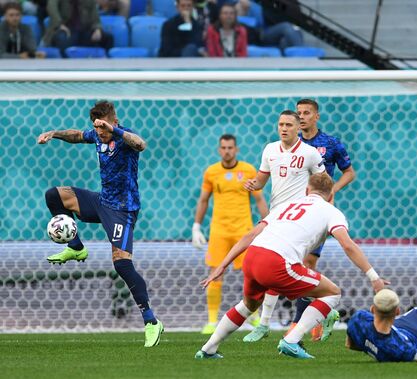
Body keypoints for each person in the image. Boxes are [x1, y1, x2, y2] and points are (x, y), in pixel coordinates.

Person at [196, 173, 386, 360]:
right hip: (276, 262)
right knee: (332, 292)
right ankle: (292, 340)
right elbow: (347, 245)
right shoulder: (332, 212)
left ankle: (208, 349)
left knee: (249, 304)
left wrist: (221, 266)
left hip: (253, 256)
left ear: (306, 190)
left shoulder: (287, 205)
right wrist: (374, 277)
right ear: (331, 196)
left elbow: (251, 235)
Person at [37, 100, 163, 348]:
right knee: (54, 195)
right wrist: (54, 134)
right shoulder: (96, 135)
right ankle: (76, 247)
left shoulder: (124, 139)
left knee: (122, 265)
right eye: (97, 129)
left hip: (122, 210)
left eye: (103, 129)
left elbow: (142, 144)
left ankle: (151, 322)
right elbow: (76, 136)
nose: (100, 134)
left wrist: (113, 130)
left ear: (113, 123)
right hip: (102, 202)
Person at [240, 110, 326, 343]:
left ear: (298, 127)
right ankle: (325, 306)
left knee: (279, 270)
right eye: (280, 124)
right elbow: (261, 179)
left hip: (299, 220)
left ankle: (268, 323)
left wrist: (324, 216)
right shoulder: (270, 149)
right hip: (276, 216)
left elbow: (325, 183)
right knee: (277, 271)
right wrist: (253, 184)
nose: (284, 128)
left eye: (289, 124)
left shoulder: (309, 153)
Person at [287, 98, 356, 340]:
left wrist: (333, 189)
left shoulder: (330, 144)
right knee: (294, 264)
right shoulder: (290, 144)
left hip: (317, 212)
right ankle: (323, 312)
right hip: (294, 212)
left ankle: (299, 321)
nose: (302, 117)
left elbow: (350, 171)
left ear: (316, 116)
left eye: (306, 113)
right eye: (299, 113)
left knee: (307, 264)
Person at [192, 134, 268, 334]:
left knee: (252, 274)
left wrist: (269, 224)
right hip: (219, 230)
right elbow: (203, 200)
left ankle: (253, 316)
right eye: (223, 147)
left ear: (236, 150)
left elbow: (259, 199)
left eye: (230, 147)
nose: (227, 151)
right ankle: (211, 321)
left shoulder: (248, 170)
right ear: (219, 150)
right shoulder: (211, 172)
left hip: (243, 230)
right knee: (215, 274)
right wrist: (196, 226)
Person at [43, 0, 113, 57]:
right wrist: (60, 24)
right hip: (66, 29)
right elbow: (51, 7)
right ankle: (65, 69)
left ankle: (107, 66)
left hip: (84, 31)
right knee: (62, 40)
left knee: (108, 38)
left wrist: (97, 29)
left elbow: (95, 18)